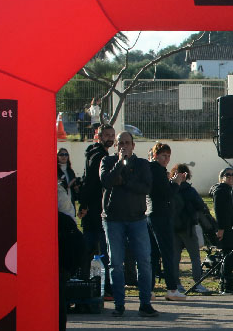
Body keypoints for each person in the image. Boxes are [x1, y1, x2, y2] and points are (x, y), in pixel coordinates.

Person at [100, 130, 157, 317]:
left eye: (127, 142)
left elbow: (146, 187)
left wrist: (124, 181)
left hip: (137, 219)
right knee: (116, 263)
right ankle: (119, 304)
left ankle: (145, 303)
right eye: (120, 143)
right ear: (116, 146)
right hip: (113, 219)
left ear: (133, 145)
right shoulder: (107, 162)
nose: (124, 145)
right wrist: (119, 164)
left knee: (144, 261)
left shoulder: (142, 164)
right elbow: (107, 181)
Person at [80, 124, 116, 298]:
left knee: (90, 249)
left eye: (112, 135)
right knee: (102, 250)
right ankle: (104, 287)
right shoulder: (100, 156)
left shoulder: (91, 152)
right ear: (99, 136)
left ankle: (86, 282)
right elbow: (92, 182)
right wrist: (86, 204)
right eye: (107, 135)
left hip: (91, 208)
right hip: (97, 209)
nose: (110, 138)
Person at [148, 143, 187, 301]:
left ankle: (149, 289)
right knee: (167, 252)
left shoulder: (152, 170)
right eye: (163, 156)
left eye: (168, 156)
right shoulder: (156, 170)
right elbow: (166, 194)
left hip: (151, 214)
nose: (166, 159)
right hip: (160, 215)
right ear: (156, 156)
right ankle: (171, 288)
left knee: (153, 254)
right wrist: (176, 183)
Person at [171, 163, 211, 294]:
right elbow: (200, 206)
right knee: (195, 257)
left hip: (173, 227)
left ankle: (176, 283)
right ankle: (197, 283)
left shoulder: (171, 189)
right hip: (188, 227)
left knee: (175, 257)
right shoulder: (190, 191)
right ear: (187, 175)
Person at [210, 167, 233, 294]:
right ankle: (226, 284)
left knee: (230, 254)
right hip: (225, 228)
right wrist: (221, 228)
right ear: (222, 177)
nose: (231, 177)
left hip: (229, 226)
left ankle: (227, 283)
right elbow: (219, 211)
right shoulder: (221, 190)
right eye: (228, 175)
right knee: (228, 255)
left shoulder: (229, 190)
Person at [57, 147, 80, 215]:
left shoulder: (70, 171)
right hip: (60, 202)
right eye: (61, 154)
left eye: (66, 154)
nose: (64, 156)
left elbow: (74, 188)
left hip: (70, 201)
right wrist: (69, 184)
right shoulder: (55, 171)